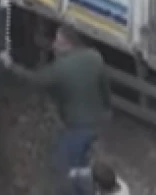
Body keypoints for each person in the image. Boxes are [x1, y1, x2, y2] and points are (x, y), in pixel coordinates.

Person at [10, 26, 112, 189]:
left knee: (61, 166)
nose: (54, 45)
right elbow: (105, 90)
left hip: (77, 128)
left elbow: (35, 80)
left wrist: (10, 66)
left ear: (68, 44)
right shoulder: (95, 57)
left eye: (58, 41)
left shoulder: (61, 68)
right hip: (97, 124)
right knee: (80, 164)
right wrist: (107, 111)